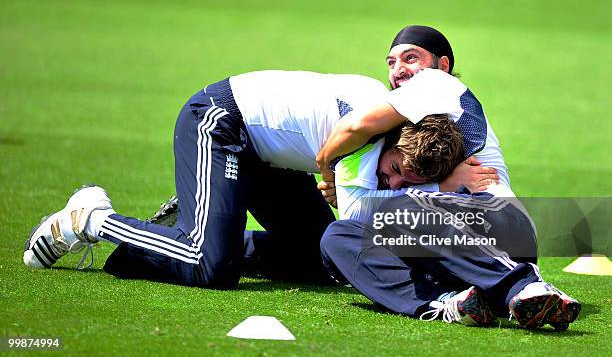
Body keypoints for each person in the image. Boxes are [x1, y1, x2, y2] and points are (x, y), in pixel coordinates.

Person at [22, 70, 468, 289]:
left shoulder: (395, 116)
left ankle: (160, 244)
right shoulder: (361, 145)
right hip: (218, 123)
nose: (393, 184)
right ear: (393, 142)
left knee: (319, 260)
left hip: (266, 157)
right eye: (394, 174)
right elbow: (354, 224)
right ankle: (90, 218)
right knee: (210, 268)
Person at [316, 25, 581, 330]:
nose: (398, 71)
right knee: (338, 237)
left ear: (442, 65)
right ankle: (450, 301)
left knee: (397, 212)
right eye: (391, 62)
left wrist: (326, 162)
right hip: (446, 249)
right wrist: (439, 185)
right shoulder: (410, 118)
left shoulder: (436, 84)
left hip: (499, 228)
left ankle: (523, 288)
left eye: (410, 58)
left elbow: (355, 127)